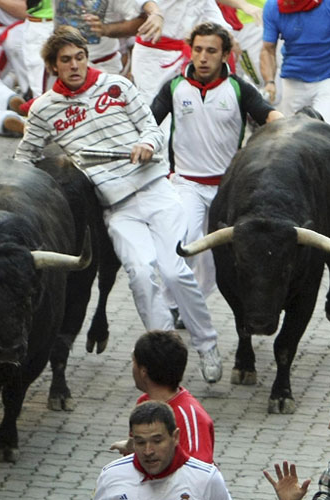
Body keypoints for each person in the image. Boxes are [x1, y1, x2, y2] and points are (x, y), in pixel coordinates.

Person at [15, 26, 223, 384]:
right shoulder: (44, 111)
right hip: (118, 209)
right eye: (66, 60)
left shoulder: (118, 87)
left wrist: (147, 144)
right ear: (53, 67)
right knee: (141, 274)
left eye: (80, 57)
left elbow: (154, 129)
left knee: (174, 271)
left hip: (158, 190)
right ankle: (166, 359)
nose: (75, 65)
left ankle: (207, 345)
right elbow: (23, 160)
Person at [151, 22, 283, 298]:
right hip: (186, 184)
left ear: (225, 55)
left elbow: (272, 119)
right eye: (197, 50)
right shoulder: (174, 87)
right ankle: (170, 305)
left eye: (211, 51)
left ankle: (190, 306)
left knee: (213, 261)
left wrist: (293, 131)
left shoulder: (240, 89)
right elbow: (148, 123)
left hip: (228, 188)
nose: (202, 57)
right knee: (184, 243)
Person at [110, 330, 216, 463]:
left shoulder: (189, 416)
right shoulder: (145, 403)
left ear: (143, 372)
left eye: (133, 362)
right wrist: (131, 447)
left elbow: (199, 472)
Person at [93, 400, 232, 499]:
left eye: (157, 441)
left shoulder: (206, 479)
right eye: (140, 442)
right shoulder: (111, 476)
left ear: (175, 437)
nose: (148, 451)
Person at [131, 0, 237, 106]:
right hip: (152, 57)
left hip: (183, 56)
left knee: (183, 106)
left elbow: (209, 11)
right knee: (153, 106)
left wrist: (228, 34)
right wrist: (155, 12)